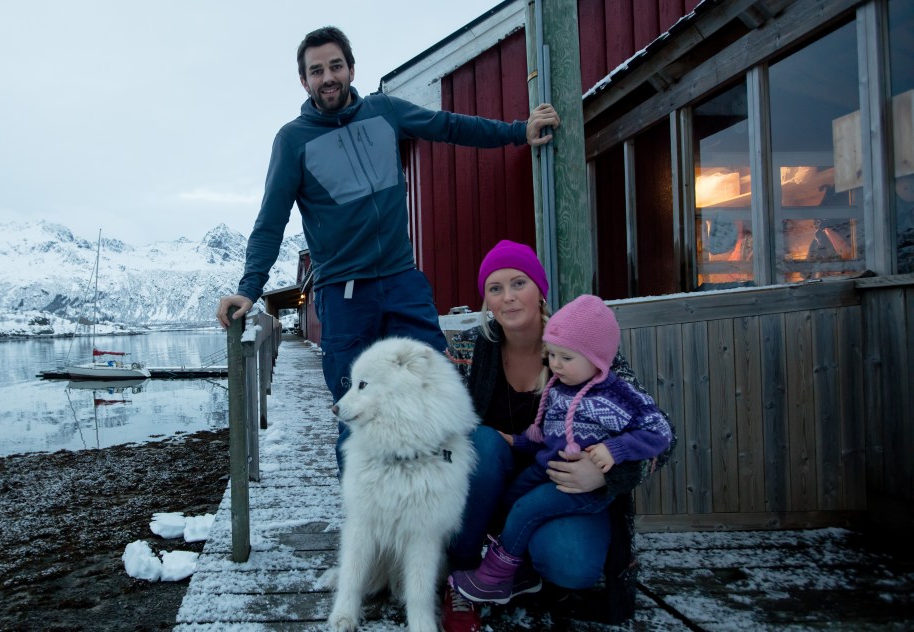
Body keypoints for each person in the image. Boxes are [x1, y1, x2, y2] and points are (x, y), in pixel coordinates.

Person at [214, 26, 561, 467]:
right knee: (357, 415)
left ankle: (435, 519)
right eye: (316, 70)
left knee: (433, 392)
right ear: (304, 81)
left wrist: (518, 132)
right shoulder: (292, 140)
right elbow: (270, 222)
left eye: (335, 66)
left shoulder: (384, 112)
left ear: (352, 69)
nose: (327, 77)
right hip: (344, 296)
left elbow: (450, 126)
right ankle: (371, 531)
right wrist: (249, 288)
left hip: (402, 281)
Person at [442, 240, 676, 631]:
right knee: (480, 441)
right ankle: (462, 575)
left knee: (573, 564)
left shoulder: (581, 345)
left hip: (560, 486)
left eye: (519, 283)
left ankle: (520, 568)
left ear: (540, 290)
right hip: (488, 486)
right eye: (495, 288)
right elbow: (441, 421)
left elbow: (661, 435)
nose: (508, 297)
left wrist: (606, 472)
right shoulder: (469, 348)